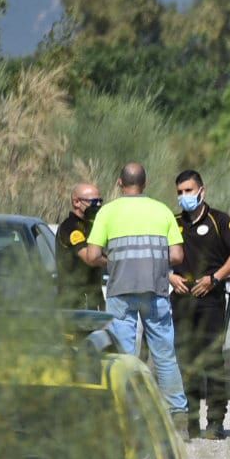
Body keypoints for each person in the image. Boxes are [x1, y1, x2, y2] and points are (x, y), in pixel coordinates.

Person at [82, 163, 188, 426]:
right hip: (156, 289)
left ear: (120, 183)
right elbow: (177, 255)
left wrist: (112, 261)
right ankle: (177, 413)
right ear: (145, 183)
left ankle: (129, 416)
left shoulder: (107, 212)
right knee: (164, 353)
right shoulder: (161, 210)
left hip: (120, 291)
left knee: (125, 356)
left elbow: (93, 255)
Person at [171, 169, 230, 440]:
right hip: (181, 300)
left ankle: (215, 421)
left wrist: (215, 278)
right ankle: (189, 421)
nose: (184, 197)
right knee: (185, 362)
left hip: (210, 300)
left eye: (189, 191)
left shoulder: (219, 220)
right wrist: (169, 276)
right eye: (180, 192)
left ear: (201, 191)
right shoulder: (172, 222)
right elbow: (158, 255)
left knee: (213, 362)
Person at [55, 182, 104, 310]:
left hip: (92, 297)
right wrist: (115, 261)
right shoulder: (70, 227)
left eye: (100, 201)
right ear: (76, 202)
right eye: (93, 202)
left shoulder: (90, 226)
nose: (98, 205)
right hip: (74, 302)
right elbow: (89, 258)